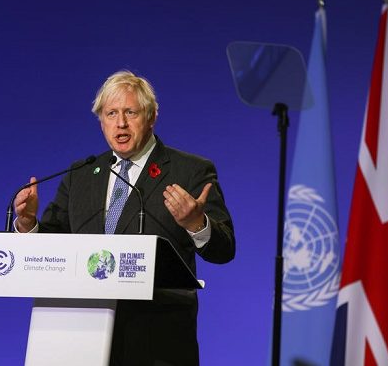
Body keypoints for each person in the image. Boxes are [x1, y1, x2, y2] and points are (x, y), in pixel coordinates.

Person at [14, 70, 235, 366]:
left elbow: (224, 250)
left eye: (131, 112)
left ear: (152, 116)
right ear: (101, 120)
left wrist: (196, 223)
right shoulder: (82, 174)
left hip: (155, 341)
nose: (120, 123)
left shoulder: (189, 171)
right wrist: (28, 224)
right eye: (111, 113)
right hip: (80, 337)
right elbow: (53, 247)